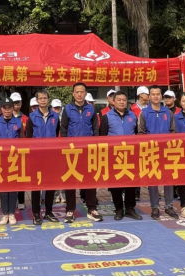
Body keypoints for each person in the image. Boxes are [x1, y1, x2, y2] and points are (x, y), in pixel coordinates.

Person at [60, 83, 103, 224]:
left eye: (82, 92)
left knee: (90, 180)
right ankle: (70, 210)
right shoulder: (67, 109)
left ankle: (92, 208)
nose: (79, 94)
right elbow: (64, 129)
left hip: (88, 150)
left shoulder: (91, 108)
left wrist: (95, 146)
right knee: (71, 180)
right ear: (73, 94)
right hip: (72, 151)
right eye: (77, 92)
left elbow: (95, 129)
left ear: (85, 93)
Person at [99, 91, 142, 221]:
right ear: (113, 101)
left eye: (124, 100)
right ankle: (118, 209)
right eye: (119, 100)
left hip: (130, 155)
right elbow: (102, 137)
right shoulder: (107, 117)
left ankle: (130, 209)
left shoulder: (133, 116)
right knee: (116, 183)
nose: (122, 102)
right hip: (114, 155)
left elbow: (136, 134)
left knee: (131, 183)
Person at [139, 86, 178, 220]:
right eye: (153, 94)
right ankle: (155, 207)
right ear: (149, 96)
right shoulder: (144, 113)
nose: (155, 96)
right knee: (153, 180)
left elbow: (173, 131)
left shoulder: (168, 112)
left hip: (167, 151)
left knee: (168, 180)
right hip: (151, 151)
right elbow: (141, 133)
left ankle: (169, 206)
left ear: (161, 96)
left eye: (158, 94)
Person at [27, 90, 61, 225]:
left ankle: (48, 211)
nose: (42, 100)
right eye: (40, 98)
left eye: (45, 98)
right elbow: (29, 136)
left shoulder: (55, 116)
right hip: (36, 156)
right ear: (37, 100)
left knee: (50, 184)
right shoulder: (32, 117)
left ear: (48, 99)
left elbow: (56, 133)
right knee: (36, 185)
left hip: (51, 156)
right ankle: (36, 213)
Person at [0, 98, 23, 226]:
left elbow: (22, 140)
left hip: (14, 159)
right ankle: (5, 213)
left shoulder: (18, 122)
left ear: (12, 108)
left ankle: (12, 213)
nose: (7, 110)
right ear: (1, 109)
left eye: (9, 108)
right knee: (3, 187)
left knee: (13, 187)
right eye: (4, 108)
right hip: (1, 159)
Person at [10, 93, 28, 210]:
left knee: (21, 177)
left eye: (18, 102)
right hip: (8, 153)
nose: (16, 104)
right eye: (14, 102)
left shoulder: (25, 118)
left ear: (21, 103)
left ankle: (21, 201)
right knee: (10, 177)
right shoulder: (5, 117)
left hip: (21, 152)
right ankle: (11, 202)